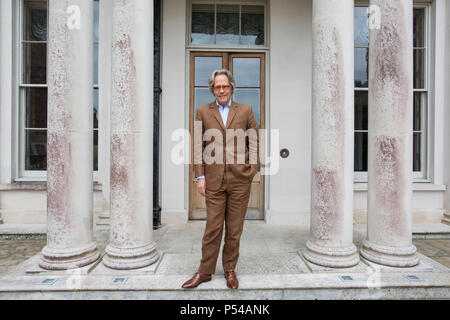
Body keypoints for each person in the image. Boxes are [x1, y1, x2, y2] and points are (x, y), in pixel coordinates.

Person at [182, 69, 259, 289]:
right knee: (212, 229)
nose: (222, 90)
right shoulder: (203, 112)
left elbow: (254, 139)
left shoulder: (245, 110)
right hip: (213, 180)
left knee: (234, 230)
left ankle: (230, 270)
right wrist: (200, 176)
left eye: (225, 86)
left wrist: (252, 167)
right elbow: (198, 146)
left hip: (239, 181)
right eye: (217, 87)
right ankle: (204, 271)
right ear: (213, 89)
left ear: (232, 87)